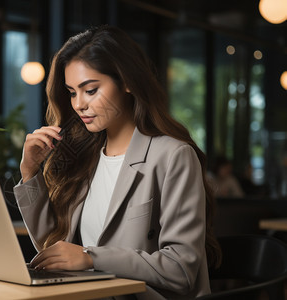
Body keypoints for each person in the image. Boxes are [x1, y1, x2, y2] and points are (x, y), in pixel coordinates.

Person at [13, 25, 221, 299]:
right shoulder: (84, 158)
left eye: (90, 90)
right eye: (72, 92)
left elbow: (180, 269)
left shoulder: (173, 155)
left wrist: (91, 257)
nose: (78, 104)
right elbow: (53, 251)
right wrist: (30, 173)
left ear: (127, 82)